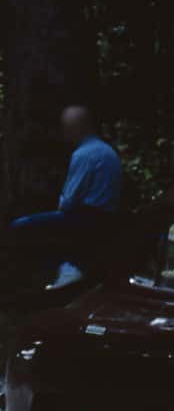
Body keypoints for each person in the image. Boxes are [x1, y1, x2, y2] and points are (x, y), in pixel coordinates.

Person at [7, 105, 124, 289]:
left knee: (20, 225)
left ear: (77, 128)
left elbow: (69, 200)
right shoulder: (107, 150)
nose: (64, 133)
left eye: (67, 128)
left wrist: (60, 208)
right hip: (107, 217)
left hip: (87, 218)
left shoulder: (84, 154)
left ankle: (46, 276)